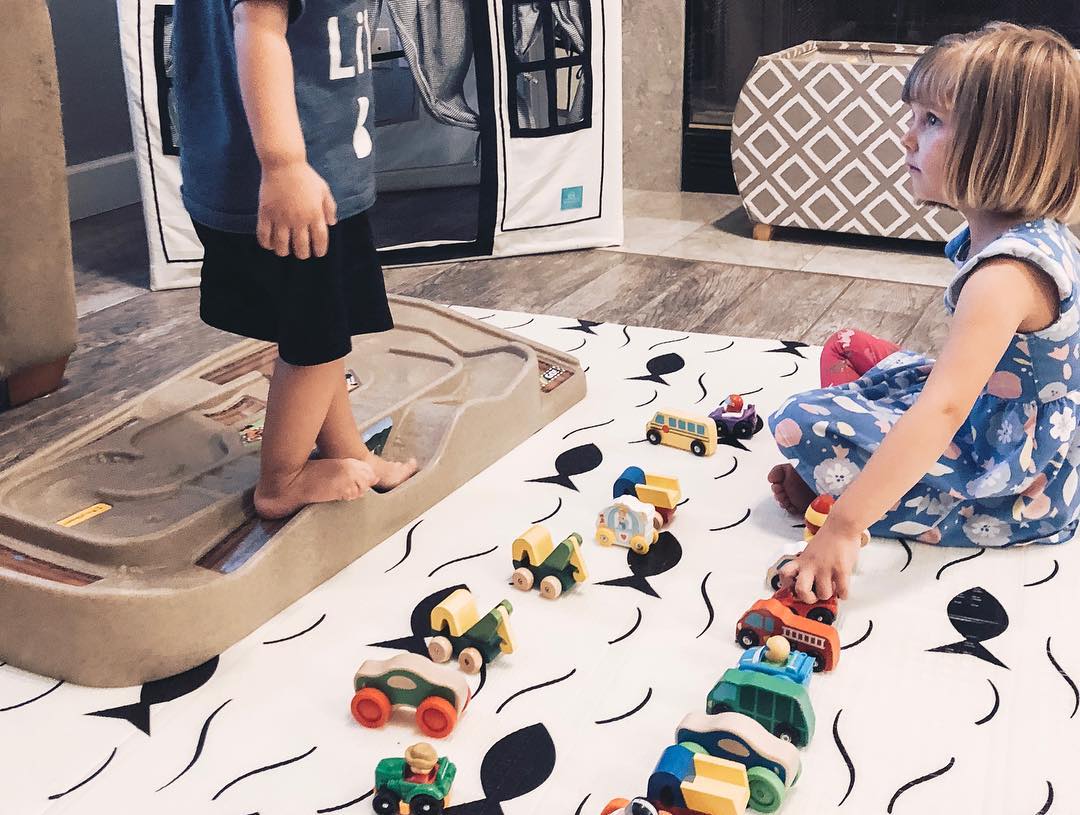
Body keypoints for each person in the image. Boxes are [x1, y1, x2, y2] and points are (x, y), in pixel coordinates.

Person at [767, 22, 1080, 601]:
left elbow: (945, 409)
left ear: (1002, 145)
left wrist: (843, 527)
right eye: (913, 117)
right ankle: (860, 471)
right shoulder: (1024, 236)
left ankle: (846, 492)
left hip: (1011, 476)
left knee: (801, 419)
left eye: (932, 121)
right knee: (846, 347)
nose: (907, 138)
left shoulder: (1006, 276)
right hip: (996, 412)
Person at [172, 0, 417, 518]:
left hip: (294, 178)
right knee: (316, 344)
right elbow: (258, 27)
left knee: (322, 331)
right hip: (296, 188)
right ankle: (281, 481)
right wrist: (284, 165)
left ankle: (346, 449)